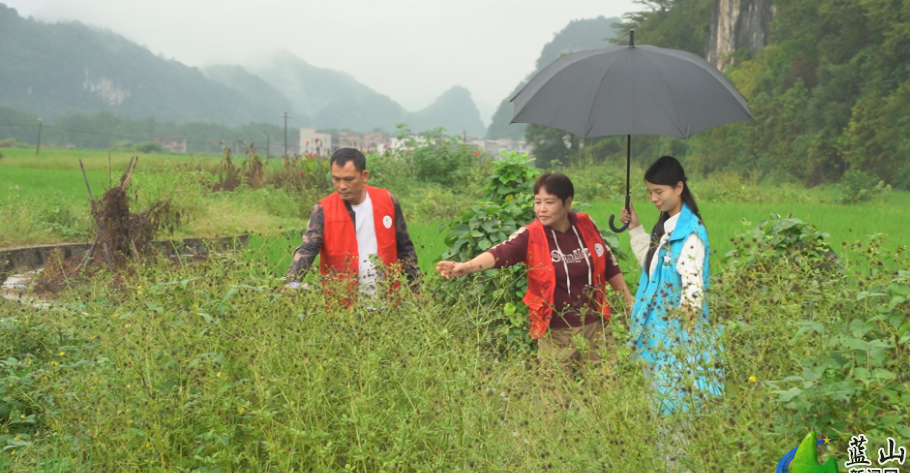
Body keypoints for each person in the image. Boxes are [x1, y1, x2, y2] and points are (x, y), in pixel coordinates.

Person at [437, 173, 634, 401]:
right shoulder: (531, 235)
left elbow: (608, 263)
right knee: (556, 402)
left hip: (595, 328)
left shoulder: (586, 226)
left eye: (549, 202)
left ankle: (604, 435)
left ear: (567, 203)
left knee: (606, 396)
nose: (541, 208)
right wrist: (467, 267)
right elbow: (502, 252)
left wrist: (629, 301)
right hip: (556, 333)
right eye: (537, 201)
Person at [619, 156, 723, 414]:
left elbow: (693, 290)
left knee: (676, 412)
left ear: (678, 188)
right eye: (650, 192)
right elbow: (653, 268)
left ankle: (675, 456)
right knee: (661, 410)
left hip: (675, 341)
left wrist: (681, 341)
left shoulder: (689, 234)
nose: (654, 198)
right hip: (656, 338)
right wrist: (635, 228)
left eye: (659, 191)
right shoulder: (666, 228)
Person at [285, 148, 421, 303]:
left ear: (364, 176)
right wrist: (292, 283)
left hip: (387, 302)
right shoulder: (323, 210)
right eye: (336, 179)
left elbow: (405, 249)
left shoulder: (387, 201)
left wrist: (416, 288)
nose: (342, 186)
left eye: (349, 179)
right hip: (342, 306)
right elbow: (308, 249)